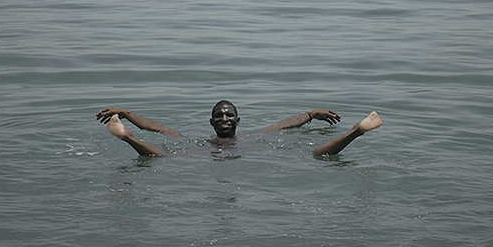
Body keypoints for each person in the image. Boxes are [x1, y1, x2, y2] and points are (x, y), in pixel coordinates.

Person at [96, 100, 381, 158]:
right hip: (218, 156)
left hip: (245, 155)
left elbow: (283, 125)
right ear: (211, 123)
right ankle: (128, 137)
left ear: (237, 121)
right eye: (219, 115)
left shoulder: (251, 139)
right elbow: (159, 128)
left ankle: (356, 131)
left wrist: (309, 115)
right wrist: (128, 114)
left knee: (316, 156)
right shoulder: (201, 143)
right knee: (161, 156)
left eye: (229, 115)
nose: (224, 117)